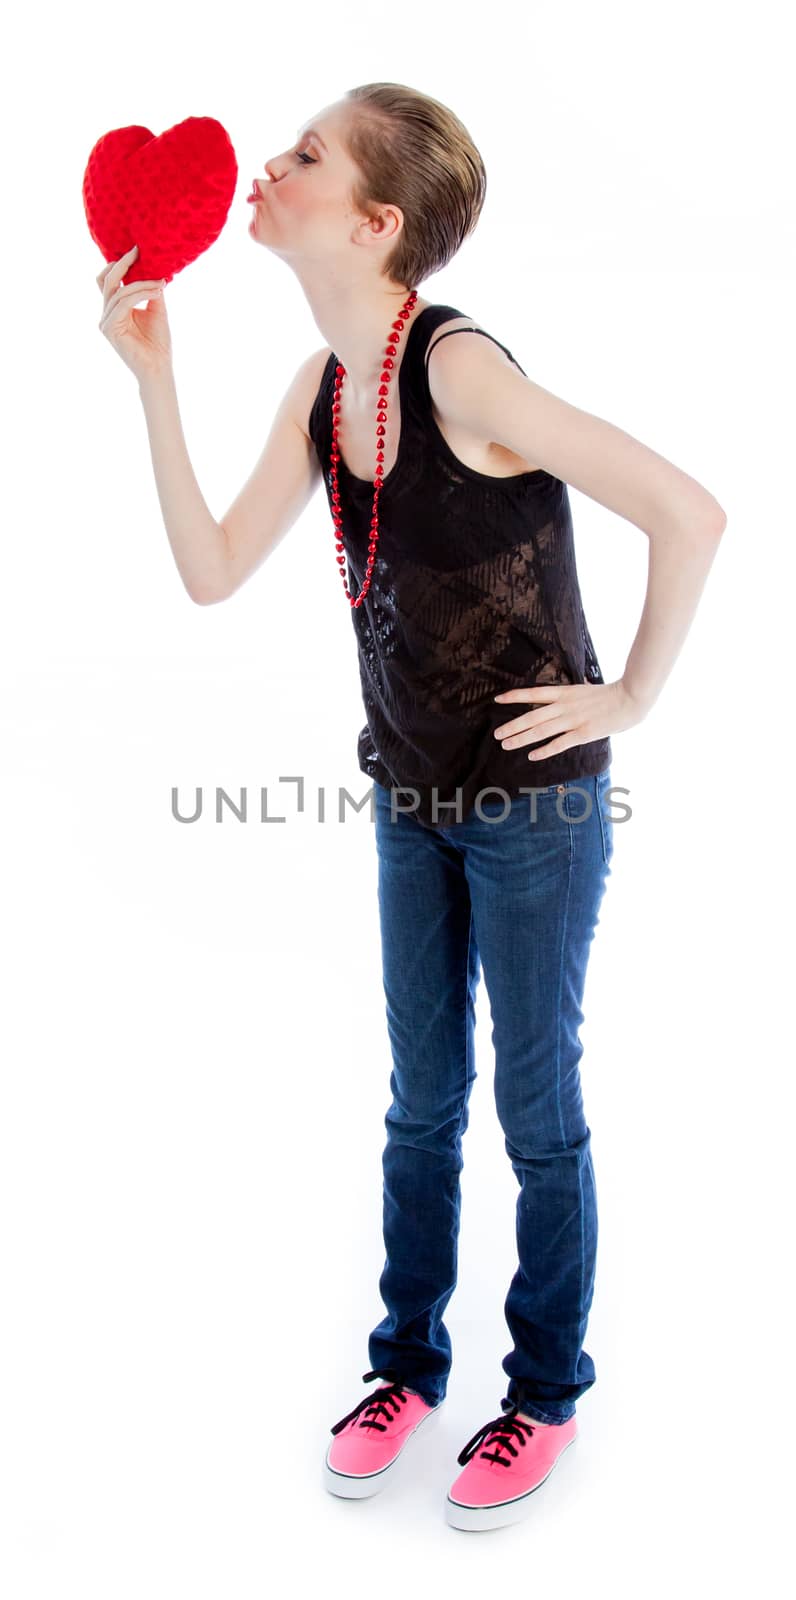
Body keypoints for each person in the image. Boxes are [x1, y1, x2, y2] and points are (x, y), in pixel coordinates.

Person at [97, 81, 727, 1532]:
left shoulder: (461, 375)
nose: (267, 164)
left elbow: (688, 510)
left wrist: (627, 699)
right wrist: (152, 377)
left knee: (535, 1108)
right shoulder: (321, 392)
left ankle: (544, 1395)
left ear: (377, 223)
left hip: (533, 812)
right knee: (420, 1106)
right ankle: (406, 1370)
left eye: (304, 156)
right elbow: (209, 569)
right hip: (409, 800)